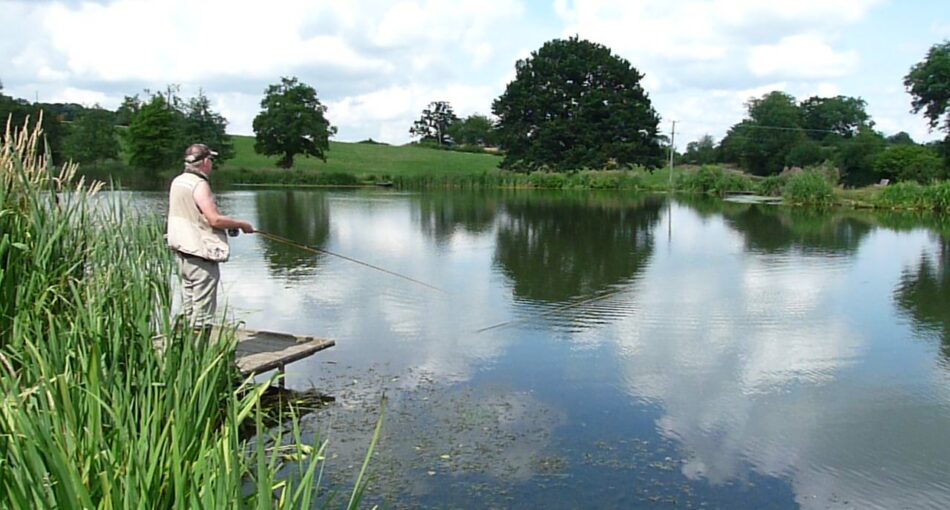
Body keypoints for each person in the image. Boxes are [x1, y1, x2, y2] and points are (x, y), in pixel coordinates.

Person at [167, 143, 253, 330]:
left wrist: (228, 222)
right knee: (203, 314)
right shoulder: (199, 184)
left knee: (189, 308)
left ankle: (183, 352)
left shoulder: (179, 181)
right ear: (205, 162)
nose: (212, 164)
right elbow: (214, 220)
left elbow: (196, 214)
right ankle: (198, 355)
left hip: (182, 254)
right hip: (199, 256)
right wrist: (241, 224)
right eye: (211, 160)